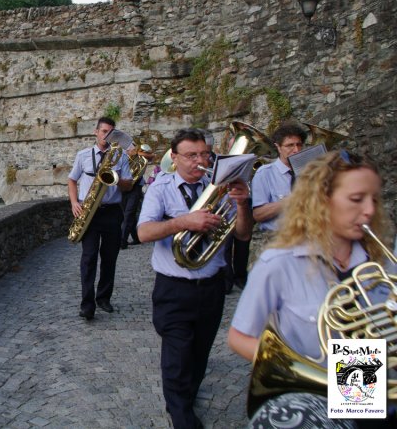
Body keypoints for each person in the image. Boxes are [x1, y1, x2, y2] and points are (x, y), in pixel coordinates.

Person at [228, 150, 395, 427]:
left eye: (374, 199)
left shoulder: (385, 260)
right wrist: (304, 370)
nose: (369, 210)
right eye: (356, 199)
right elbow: (238, 337)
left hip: (380, 403)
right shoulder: (278, 263)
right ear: (322, 201)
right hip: (317, 401)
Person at [137, 128, 253, 429]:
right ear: (173, 158)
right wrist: (185, 221)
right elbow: (143, 232)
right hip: (174, 288)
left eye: (205, 155)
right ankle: (182, 415)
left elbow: (242, 234)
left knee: (199, 353)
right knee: (177, 355)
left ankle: (185, 397)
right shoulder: (161, 188)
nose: (200, 161)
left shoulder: (220, 187)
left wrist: (241, 203)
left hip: (211, 286)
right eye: (192, 155)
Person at [68, 117, 133, 320]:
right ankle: (87, 305)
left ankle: (103, 298)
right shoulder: (83, 155)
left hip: (112, 211)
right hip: (90, 212)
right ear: (96, 132)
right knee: (88, 258)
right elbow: (72, 180)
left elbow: (129, 185)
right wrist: (74, 203)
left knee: (109, 258)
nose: (107, 135)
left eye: (111, 132)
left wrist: (117, 179)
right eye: (103, 131)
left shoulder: (120, 156)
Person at [251, 122, 307, 233]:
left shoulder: (310, 171)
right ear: (278, 147)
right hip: (275, 238)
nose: (296, 150)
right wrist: (290, 201)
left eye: (299, 145)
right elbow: (258, 214)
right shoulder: (264, 173)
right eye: (290, 145)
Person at [120, 143, 153, 249]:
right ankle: (136, 238)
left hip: (135, 188)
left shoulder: (141, 157)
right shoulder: (123, 157)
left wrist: (136, 152)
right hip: (124, 188)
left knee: (128, 214)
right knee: (129, 215)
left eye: (133, 148)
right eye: (130, 149)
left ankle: (122, 241)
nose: (132, 150)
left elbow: (151, 156)